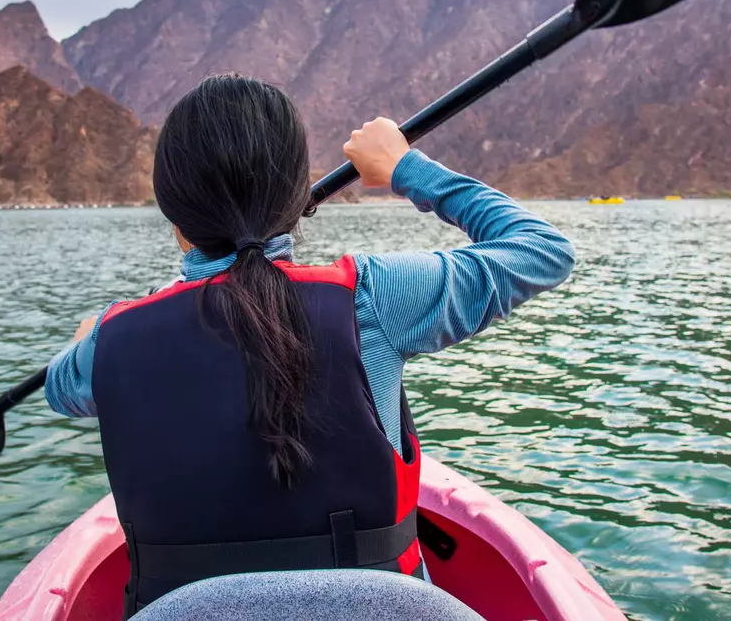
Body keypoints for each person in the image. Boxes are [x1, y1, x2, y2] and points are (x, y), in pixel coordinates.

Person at [45, 74, 575, 616]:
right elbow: (542, 251)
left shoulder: (114, 339)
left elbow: (60, 387)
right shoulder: (375, 296)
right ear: (300, 200)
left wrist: (96, 333)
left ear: (175, 220)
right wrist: (404, 169)